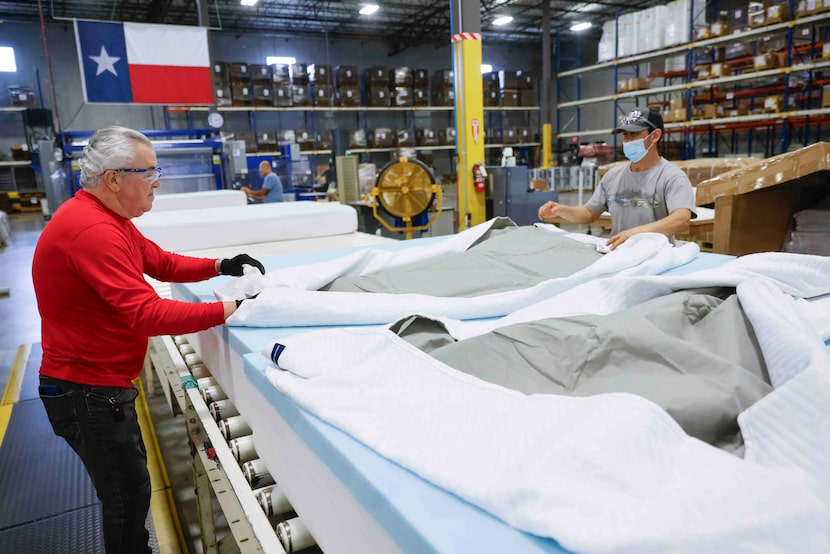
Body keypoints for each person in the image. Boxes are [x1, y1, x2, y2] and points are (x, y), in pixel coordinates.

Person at [31, 126, 266, 554]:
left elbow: (157, 261)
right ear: (114, 178)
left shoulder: (107, 219)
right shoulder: (92, 231)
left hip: (97, 386)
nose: (158, 180)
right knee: (127, 496)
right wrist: (230, 310)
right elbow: (146, 313)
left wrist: (220, 265)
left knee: (130, 489)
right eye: (149, 171)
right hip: (88, 391)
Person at [539, 107, 696, 250]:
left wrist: (634, 234)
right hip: (619, 254)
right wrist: (561, 210)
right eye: (625, 135)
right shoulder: (613, 176)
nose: (627, 140)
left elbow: (681, 220)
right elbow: (588, 213)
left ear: (655, 136)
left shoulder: (672, 177)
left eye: (633, 134)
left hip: (656, 257)